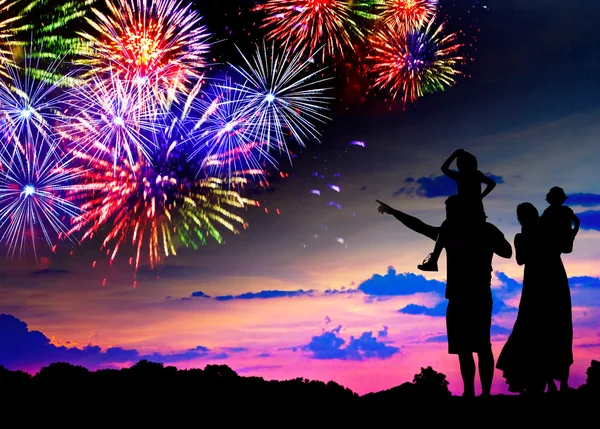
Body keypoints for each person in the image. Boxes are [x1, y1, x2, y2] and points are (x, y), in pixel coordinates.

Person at [377, 196, 512, 397]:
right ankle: (474, 393)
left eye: (450, 210)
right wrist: (394, 212)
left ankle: (480, 393)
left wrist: (393, 211)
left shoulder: (460, 231)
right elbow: (420, 226)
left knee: (477, 348)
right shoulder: (454, 232)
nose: (447, 215)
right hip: (466, 296)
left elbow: (507, 252)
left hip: (472, 296)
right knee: (469, 348)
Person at [496, 202, 575, 394]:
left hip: (536, 285)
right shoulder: (547, 231)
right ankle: (557, 381)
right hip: (553, 282)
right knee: (558, 328)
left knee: (536, 329)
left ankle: (550, 381)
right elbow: (565, 248)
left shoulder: (522, 237)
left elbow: (521, 260)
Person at [417, 149, 497, 272]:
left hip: (467, 214)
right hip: (476, 214)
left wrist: (454, 154)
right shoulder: (476, 175)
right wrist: (481, 196)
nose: (459, 166)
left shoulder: (463, 176)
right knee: (446, 226)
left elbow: (444, 168)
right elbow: (492, 183)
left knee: (445, 227)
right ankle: (433, 261)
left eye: (460, 163)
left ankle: (434, 260)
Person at [540, 186, 580, 254]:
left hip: (560, 242)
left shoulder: (565, 210)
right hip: (553, 243)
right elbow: (577, 221)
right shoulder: (548, 212)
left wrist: (572, 234)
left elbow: (577, 221)